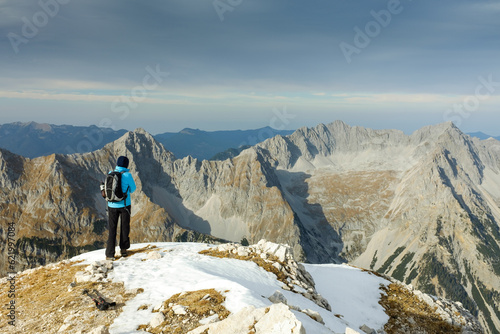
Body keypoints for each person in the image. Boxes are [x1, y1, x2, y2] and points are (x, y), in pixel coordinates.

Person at [106, 156, 136, 260]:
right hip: (124, 206)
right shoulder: (128, 175)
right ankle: (123, 250)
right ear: (126, 165)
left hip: (111, 206)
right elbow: (133, 189)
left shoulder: (111, 173)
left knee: (112, 229)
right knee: (124, 227)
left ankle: (109, 254)